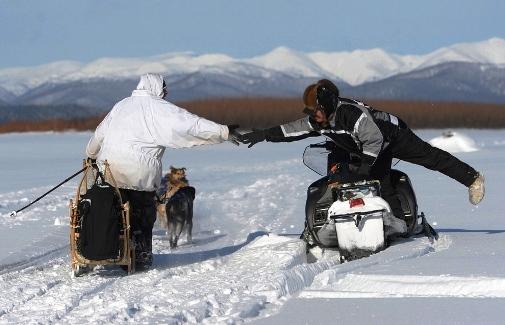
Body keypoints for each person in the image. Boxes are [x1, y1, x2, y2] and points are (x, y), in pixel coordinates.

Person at [239, 79, 485, 231]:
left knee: (424, 160)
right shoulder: (321, 120)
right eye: (310, 112)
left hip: (392, 135)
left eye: (315, 111)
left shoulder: (350, 113)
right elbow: (293, 129)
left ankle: (471, 179)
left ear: (326, 105)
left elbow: (374, 140)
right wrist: (263, 134)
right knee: (344, 172)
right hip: (362, 143)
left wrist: (365, 167)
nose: (313, 116)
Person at [86, 73, 239, 269]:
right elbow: (191, 124)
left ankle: (111, 248)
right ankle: (139, 256)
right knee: (142, 213)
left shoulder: (121, 105)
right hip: (139, 174)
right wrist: (223, 131)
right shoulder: (158, 108)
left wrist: (90, 155)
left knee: (112, 208)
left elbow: (99, 133)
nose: (165, 94)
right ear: (157, 88)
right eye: (164, 90)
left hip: (109, 170)